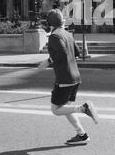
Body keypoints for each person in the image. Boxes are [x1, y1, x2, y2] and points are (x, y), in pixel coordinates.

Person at [38, 9, 99, 145]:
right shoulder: (67, 34)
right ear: (61, 21)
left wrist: (47, 62)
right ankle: (82, 135)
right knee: (66, 108)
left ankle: (83, 108)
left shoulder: (54, 36)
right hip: (75, 77)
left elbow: (62, 54)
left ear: (49, 23)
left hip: (65, 79)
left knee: (56, 109)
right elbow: (77, 52)